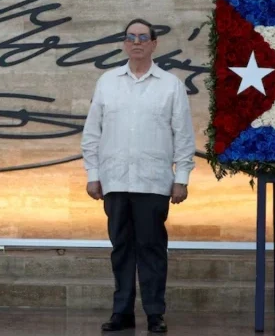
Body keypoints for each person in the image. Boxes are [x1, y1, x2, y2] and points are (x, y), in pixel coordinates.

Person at [81, 19, 195, 333]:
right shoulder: (107, 82)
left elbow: (183, 135)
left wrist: (182, 178)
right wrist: (93, 174)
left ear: (154, 44)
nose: (136, 42)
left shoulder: (170, 85)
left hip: (153, 182)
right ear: (124, 43)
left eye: (143, 37)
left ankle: (155, 313)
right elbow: (92, 133)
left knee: (152, 248)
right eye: (131, 37)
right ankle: (122, 313)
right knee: (121, 249)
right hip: (115, 180)